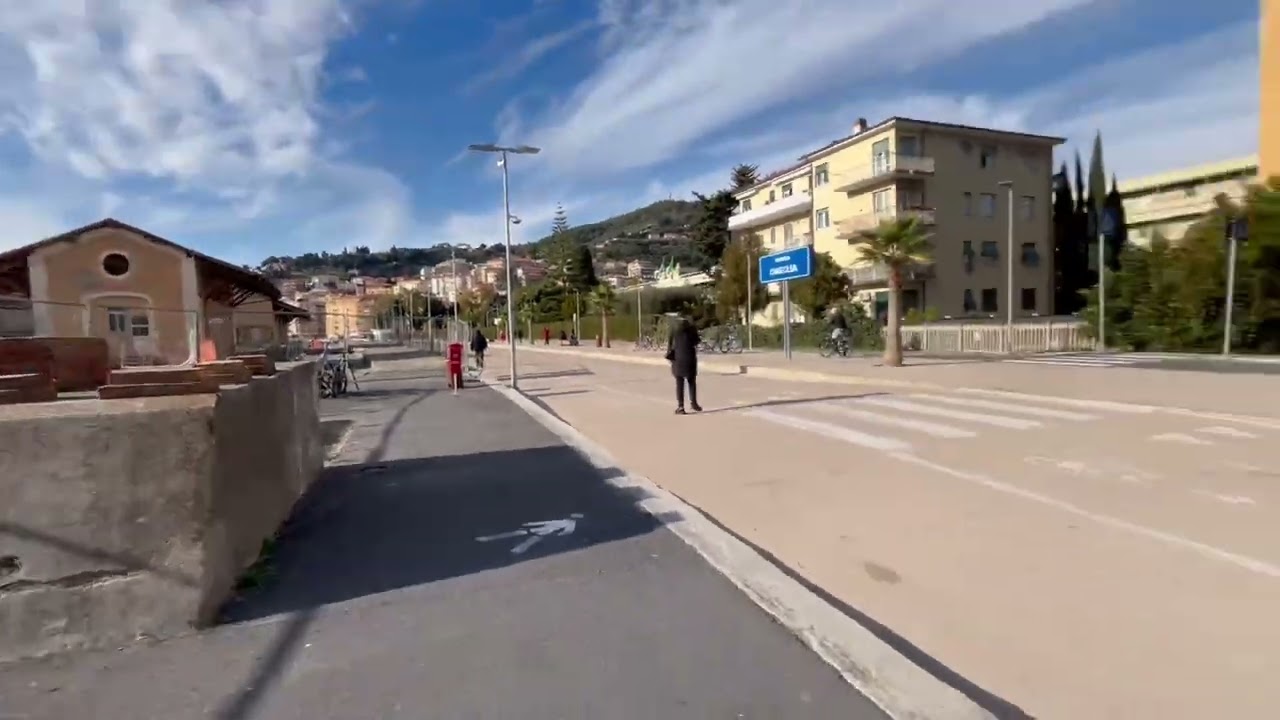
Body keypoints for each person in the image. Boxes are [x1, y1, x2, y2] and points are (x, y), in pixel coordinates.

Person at [664, 312, 702, 414]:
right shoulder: (692, 327)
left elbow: (670, 343)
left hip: (678, 358)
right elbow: (697, 341)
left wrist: (669, 355)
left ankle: (681, 407)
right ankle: (694, 402)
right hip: (690, 357)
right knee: (691, 381)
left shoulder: (673, 328)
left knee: (679, 383)